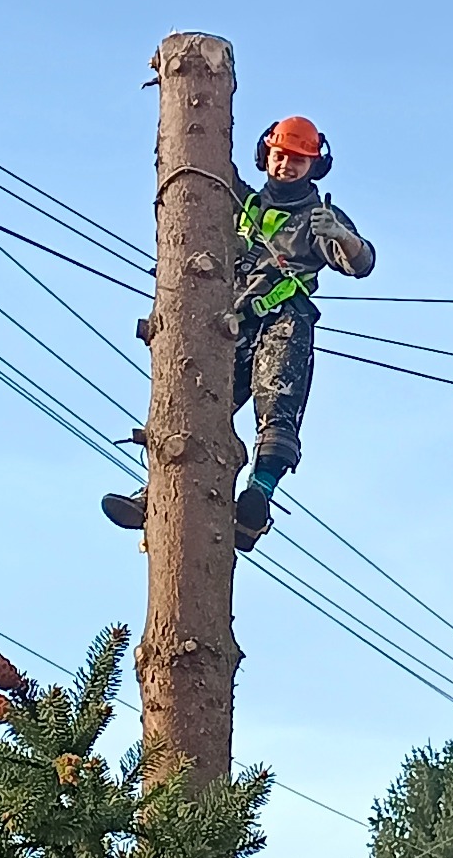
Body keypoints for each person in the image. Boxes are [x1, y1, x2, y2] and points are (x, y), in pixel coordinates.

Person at [102, 115, 375, 550]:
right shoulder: (242, 204)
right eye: (280, 155)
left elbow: (361, 264)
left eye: (298, 159)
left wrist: (345, 238)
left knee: (277, 404)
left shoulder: (317, 217)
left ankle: (258, 497)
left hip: (285, 316)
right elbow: (204, 168)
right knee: (195, 403)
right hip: (230, 322)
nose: (286, 165)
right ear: (266, 154)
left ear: (314, 165)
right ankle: (155, 494)